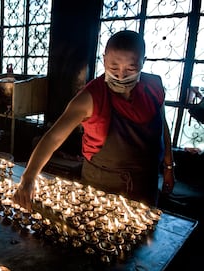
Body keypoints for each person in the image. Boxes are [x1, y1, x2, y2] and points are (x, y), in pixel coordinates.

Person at [13, 30, 175, 209]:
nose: (121, 76)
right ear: (104, 60)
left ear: (143, 62)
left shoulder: (153, 87)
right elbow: (53, 138)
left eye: (131, 69)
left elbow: (162, 126)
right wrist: (29, 177)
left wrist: (169, 166)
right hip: (102, 185)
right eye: (114, 68)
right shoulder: (91, 97)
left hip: (146, 185)